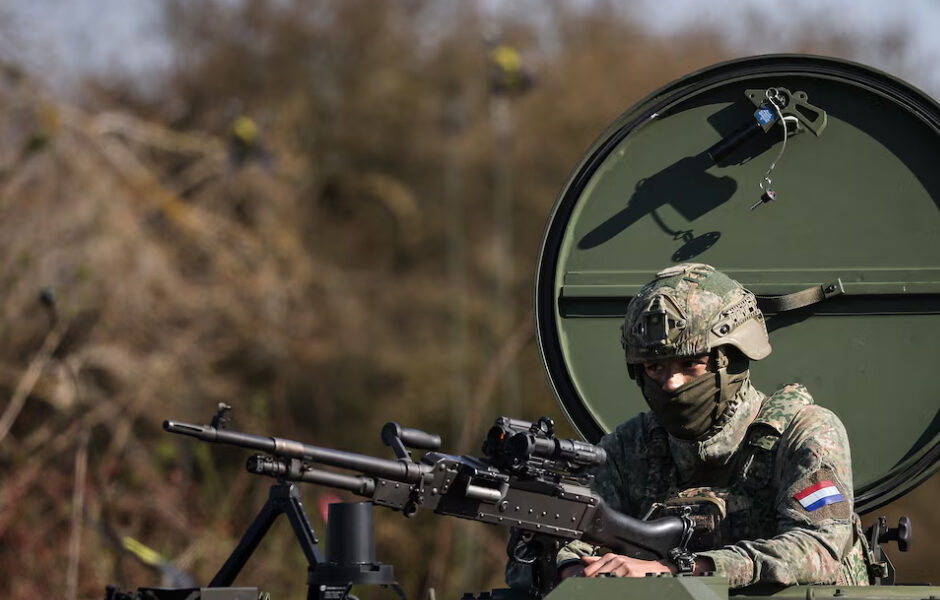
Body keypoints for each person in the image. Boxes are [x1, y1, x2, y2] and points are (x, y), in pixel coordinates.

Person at [507, 263, 871, 590]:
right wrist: (573, 571)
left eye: (691, 364)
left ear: (733, 358)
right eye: (655, 368)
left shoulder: (804, 432)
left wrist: (680, 569)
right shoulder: (632, 446)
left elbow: (817, 548)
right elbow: (562, 542)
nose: (671, 384)